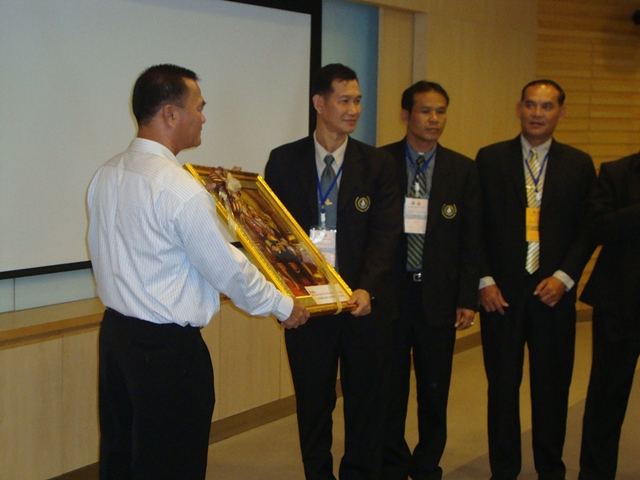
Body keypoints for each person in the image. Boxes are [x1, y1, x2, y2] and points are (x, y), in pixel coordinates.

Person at [87, 64, 309, 480]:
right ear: (171, 114)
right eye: (199, 108)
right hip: (167, 354)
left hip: (117, 338)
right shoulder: (179, 190)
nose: (204, 118)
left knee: (121, 456)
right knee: (172, 464)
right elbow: (229, 271)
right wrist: (283, 305)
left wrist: (220, 204)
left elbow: (161, 245)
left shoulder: (108, 172)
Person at [264, 63, 402, 479]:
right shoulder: (283, 161)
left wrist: (368, 288)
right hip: (309, 309)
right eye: (344, 100)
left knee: (365, 402)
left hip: (361, 306)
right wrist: (286, 294)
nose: (353, 109)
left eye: (357, 100)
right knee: (313, 402)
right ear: (319, 103)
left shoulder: (377, 164)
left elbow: (386, 234)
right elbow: (272, 237)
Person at [476, 79, 595, 480]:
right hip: (501, 295)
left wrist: (565, 277)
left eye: (547, 106)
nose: (537, 113)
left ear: (561, 113)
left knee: (552, 389)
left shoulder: (579, 164)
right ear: (519, 108)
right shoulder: (490, 159)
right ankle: (504, 470)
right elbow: (475, 226)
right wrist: (484, 280)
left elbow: (587, 228)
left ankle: (550, 469)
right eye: (531, 105)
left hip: (553, 295)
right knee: (502, 389)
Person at [380, 81, 481, 480]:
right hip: (392, 293)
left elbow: (472, 238)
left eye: (441, 111)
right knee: (390, 387)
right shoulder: (380, 162)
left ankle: (426, 465)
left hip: (439, 294)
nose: (434, 119)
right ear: (406, 115)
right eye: (426, 111)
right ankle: (393, 462)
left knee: (435, 389)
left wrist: (468, 296)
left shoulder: (463, 169)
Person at [578, 153, 640, 480]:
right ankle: (596, 473)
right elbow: (598, 228)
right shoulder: (617, 172)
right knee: (607, 396)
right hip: (620, 302)